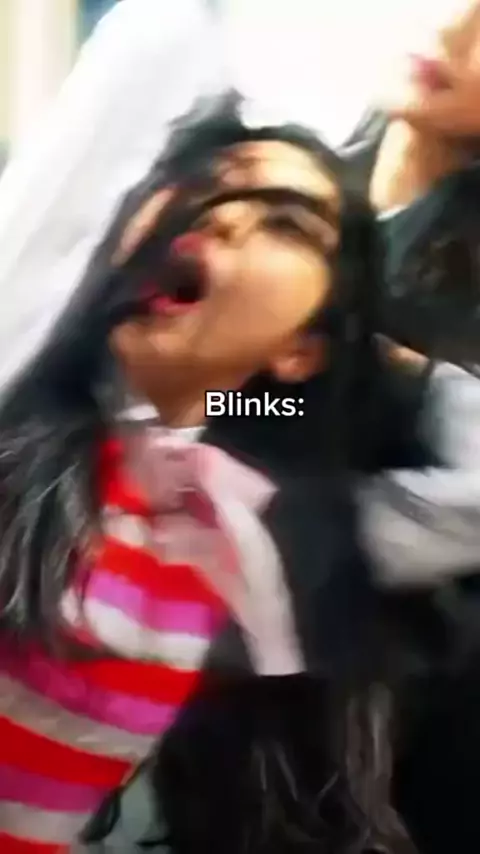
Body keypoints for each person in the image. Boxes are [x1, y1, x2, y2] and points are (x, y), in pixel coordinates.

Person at [0, 94, 442, 853]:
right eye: (205, 186)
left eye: (287, 224)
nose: (226, 217)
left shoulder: (245, 525)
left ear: (301, 348)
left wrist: (395, 365)